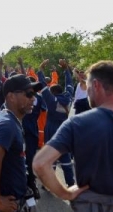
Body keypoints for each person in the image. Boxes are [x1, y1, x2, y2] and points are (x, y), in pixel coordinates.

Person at [33, 60, 113, 211]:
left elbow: (40, 163)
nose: (87, 91)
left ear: (96, 85)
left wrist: (66, 194)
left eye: (88, 86)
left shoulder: (76, 124)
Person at [0, 74, 41, 212]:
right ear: (11, 96)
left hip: (16, 194)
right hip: (8, 202)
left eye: (34, 94)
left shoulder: (7, 116)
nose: (33, 98)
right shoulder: (7, 124)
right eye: (29, 94)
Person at [36, 59, 75, 188]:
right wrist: (66, 70)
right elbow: (69, 84)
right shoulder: (68, 97)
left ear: (53, 92)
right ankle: (70, 183)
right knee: (65, 158)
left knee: (50, 157)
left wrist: (40, 70)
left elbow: (42, 84)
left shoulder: (51, 99)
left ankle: (47, 183)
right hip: (65, 129)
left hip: (52, 129)